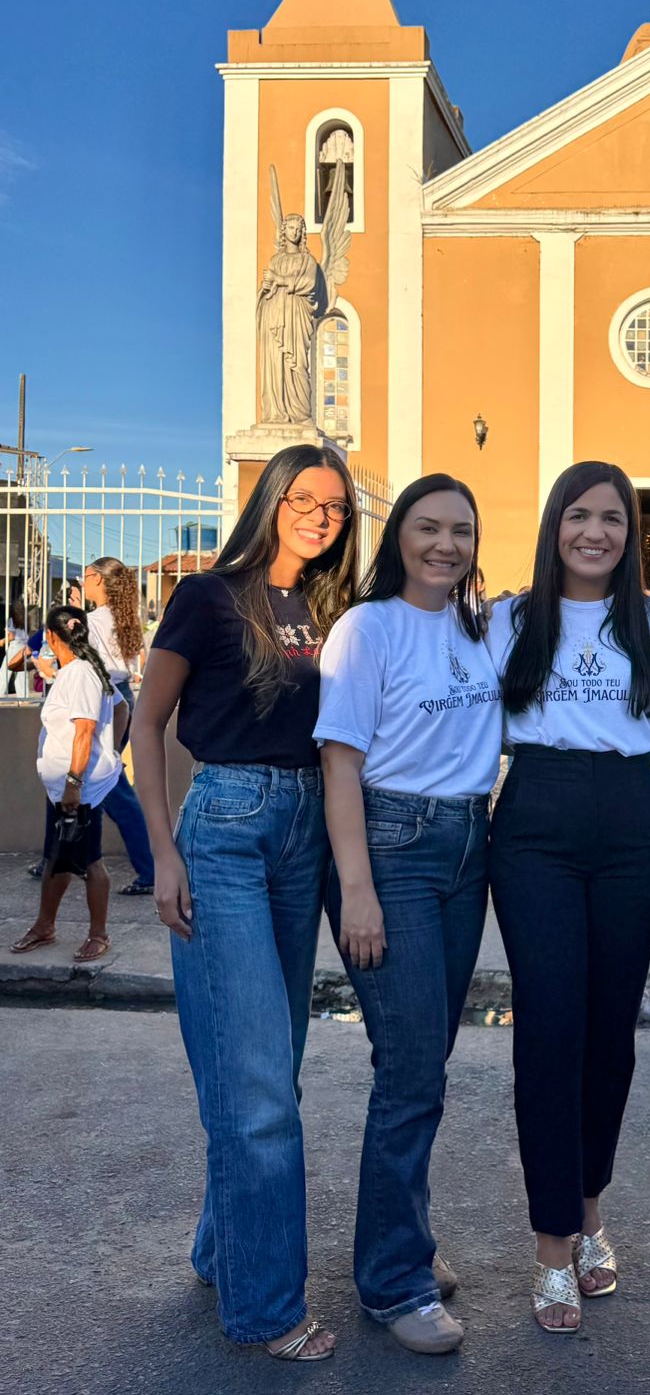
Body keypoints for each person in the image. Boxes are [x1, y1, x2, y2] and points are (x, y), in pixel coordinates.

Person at [130, 444, 357, 1363]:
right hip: (225, 822)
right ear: (269, 499)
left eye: (335, 505)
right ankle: (265, 1308)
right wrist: (164, 849)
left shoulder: (335, 608)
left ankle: (224, 1244)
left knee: (272, 1063)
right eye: (303, 498)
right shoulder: (209, 596)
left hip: (305, 828)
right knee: (258, 1079)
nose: (319, 514)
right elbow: (144, 722)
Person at [487, 461, 650, 1333]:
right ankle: (550, 1245)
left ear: (630, 530)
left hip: (628, 818)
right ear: (554, 525)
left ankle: (591, 1210)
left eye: (612, 517)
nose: (595, 533)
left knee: (611, 1028)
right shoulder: (509, 619)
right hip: (534, 816)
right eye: (579, 516)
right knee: (550, 1027)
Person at [316, 474, 501, 1356]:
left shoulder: (478, 627)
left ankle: (406, 1244)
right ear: (399, 537)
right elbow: (341, 764)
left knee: (425, 1060)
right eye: (427, 528)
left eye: (460, 531)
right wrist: (357, 888)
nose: (445, 544)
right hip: (394, 847)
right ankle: (394, 1282)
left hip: (469, 844)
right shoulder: (367, 628)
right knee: (412, 1071)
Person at [9, 606, 123, 963]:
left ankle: (99, 935)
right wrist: (115, 749)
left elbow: (85, 731)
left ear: (54, 637)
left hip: (77, 790)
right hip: (65, 788)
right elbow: (122, 709)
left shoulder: (79, 675)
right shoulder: (87, 671)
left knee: (89, 862)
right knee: (56, 857)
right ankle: (45, 925)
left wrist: (76, 783)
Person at [80, 556, 158, 897]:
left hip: (103, 698)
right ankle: (65, 856)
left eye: (85, 575)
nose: (81, 581)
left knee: (108, 786)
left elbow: (90, 667)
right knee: (89, 783)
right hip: (122, 694)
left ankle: (151, 868)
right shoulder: (124, 618)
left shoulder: (94, 620)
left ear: (98, 579)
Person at [3, 602, 31, 697]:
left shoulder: (12, 620)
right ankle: (23, 697)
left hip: (15, 646)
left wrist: (3, 639)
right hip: (24, 646)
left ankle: (0, 694)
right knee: (22, 673)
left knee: (5, 672)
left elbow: (11, 636)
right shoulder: (27, 619)